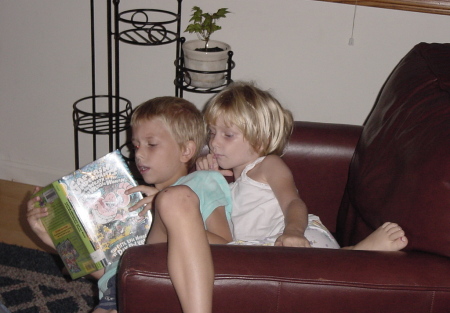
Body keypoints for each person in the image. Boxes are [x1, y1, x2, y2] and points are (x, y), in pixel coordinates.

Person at [27, 96, 233, 313]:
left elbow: (226, 246)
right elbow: (113, 271)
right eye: (135, 146)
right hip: (119, 291)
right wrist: (52, 240)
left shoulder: (201, 182)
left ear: (186, 151)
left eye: (151, 144)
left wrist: (167, 212)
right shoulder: (132, 199)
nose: (139, 154)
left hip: (174, 284)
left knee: (175, 198)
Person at [196, 81, 408, 251]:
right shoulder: (231, 187)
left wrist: (294, 232)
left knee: (308, 266)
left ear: (259, 140)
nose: (214, 143)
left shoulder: (268, 165)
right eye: (212, 133)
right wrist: (210, 181)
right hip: (261, 248)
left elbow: (292, 203)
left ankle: (357, 253)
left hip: (297, 237)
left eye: (228, 135)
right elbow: (225, 232)